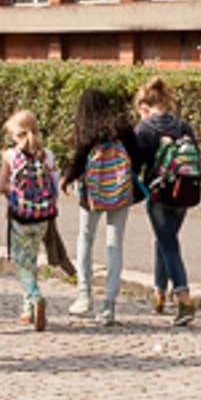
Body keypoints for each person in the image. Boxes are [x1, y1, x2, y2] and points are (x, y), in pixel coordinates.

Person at [128, 77, 201, 325]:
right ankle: (159, 293)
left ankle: (184, 298)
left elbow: (134, 166)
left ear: (144, 107)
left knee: (168, 243)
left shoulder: (144, 129)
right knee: (165, 239)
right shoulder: (182, 125)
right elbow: (199, 160)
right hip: (184, 192)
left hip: (159, 194)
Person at [61, 88, 137, 327]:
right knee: (115, 243)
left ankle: (84, 295)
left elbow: (78, 162)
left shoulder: (87, 131)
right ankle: (109, 304)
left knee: (86, 238)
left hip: (92, 194)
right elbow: (137, 155)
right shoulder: (122, 128)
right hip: (121, 192)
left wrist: (67, 178)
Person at [0, 110, 60, 331]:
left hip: (20, 217)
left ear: (16, 134)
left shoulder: (10, 156)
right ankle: (28, 309)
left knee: (20, 262)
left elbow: (1, 185)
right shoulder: (48, 155)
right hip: (42, 217)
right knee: (31, 259)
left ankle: (34, 296)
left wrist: (12, 193)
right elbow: (54, 188)